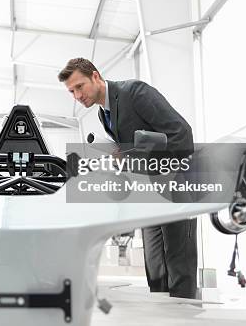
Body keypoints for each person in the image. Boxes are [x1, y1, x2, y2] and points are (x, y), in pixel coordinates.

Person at [57, 57, 197, 299]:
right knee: (155, 266)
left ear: (96, 76)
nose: (77, 96)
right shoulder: (104, 114)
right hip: (148, 193)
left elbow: (181, 135)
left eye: (79, 87)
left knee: (177, 262)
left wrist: (137, 157)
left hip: (173, 184)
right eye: (71, 92)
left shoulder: (135, 92)